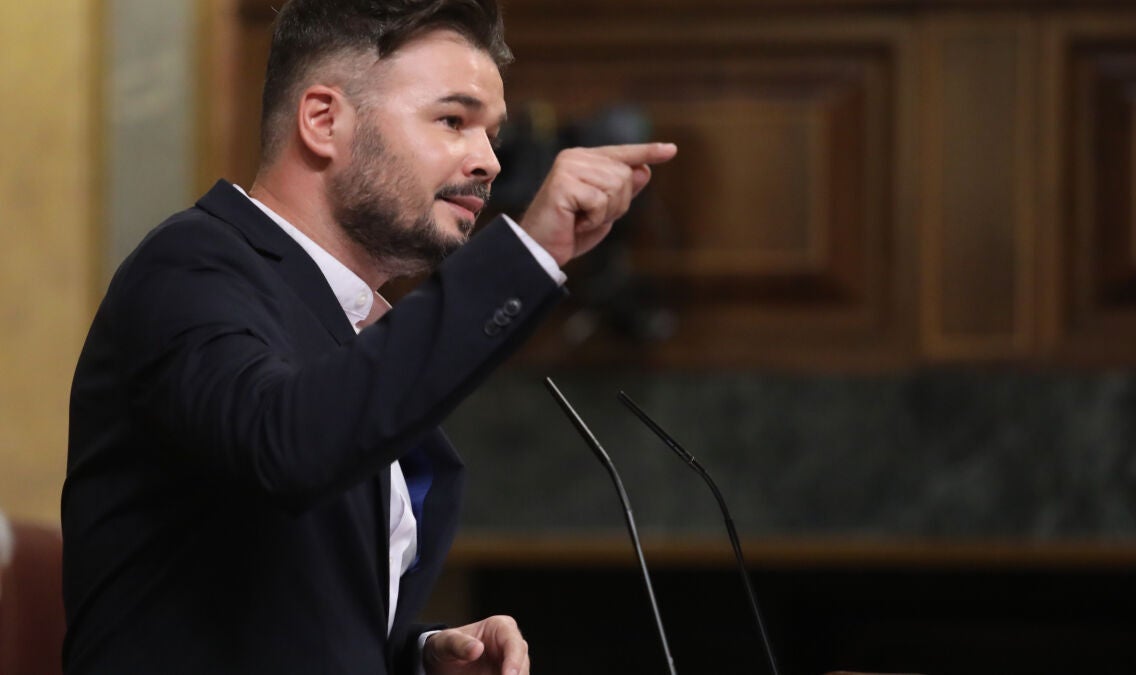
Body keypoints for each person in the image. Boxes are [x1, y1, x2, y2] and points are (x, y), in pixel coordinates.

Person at [61, 0, 676, 673]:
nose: (489, 161)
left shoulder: (344, 320)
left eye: (492, 133)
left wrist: (417, 654)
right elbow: (285, 442)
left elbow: (284, 610)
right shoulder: (190, 266)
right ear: (323, 120)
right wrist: (526, 255)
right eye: (453, 120)